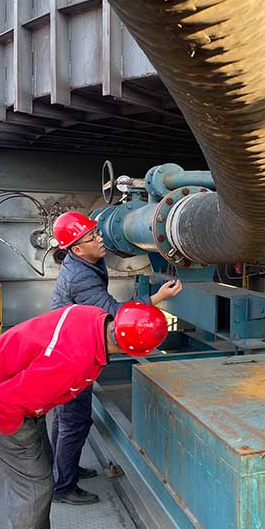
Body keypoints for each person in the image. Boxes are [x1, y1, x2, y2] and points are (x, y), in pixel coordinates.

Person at [0, 301, 168, 529]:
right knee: (34, 490)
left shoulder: (95, 318)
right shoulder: (72, 361)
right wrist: (20, 439)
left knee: (41, 480)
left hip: (13, 396)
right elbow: (2, 401)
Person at [49, 211, 183, 505]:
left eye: (97, 233)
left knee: (64, 417)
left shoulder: (85, 261)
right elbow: (114, 313)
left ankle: (62, 471)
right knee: (74, 420)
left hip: (69, 346)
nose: (100, 240)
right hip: (71, 354)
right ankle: (63, 488)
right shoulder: (81, 276)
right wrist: (157, 298)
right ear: (76, 248)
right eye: (92, 238)